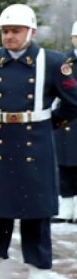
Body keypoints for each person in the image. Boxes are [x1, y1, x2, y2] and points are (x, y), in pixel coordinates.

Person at [0, 4, 77, 279]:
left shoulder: (52, 62)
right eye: (5, 31)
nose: (9, 36)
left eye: (15, 31)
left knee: (36, 214)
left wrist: (48, 123)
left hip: (34, 144)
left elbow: (72, 102)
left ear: (32, 32)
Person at [53, 22, 77, 223]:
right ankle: (65, 209)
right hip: (68, 121)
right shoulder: (64, 62)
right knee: (65, 166)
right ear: (72, 39)